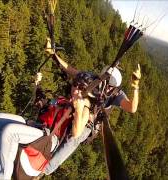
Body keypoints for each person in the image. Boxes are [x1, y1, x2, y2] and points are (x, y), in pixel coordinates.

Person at [41, 38, 141, 175]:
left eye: (108, 85)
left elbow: (132, 108)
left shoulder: (115, 94)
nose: (105, 87)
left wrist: (135, 87)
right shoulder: (93, 79)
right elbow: (71, 70)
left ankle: (45, 169)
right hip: (76, 106)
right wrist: (53, 55)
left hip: (89, 118)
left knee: (74, 138)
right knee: (52, 108)